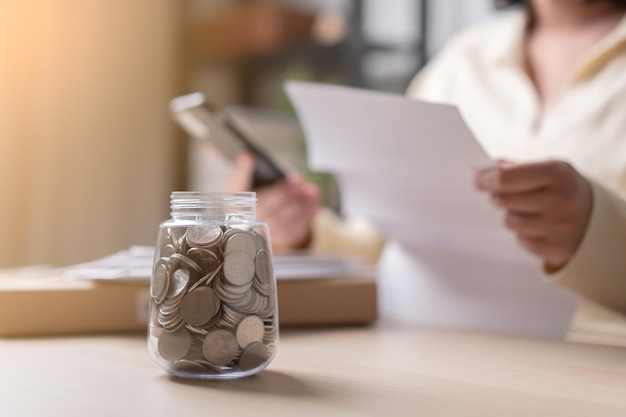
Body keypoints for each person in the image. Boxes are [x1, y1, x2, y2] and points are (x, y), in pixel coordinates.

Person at [225, 0, 626, 334]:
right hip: (432, 355)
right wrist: (303, 233)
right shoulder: (462, 61)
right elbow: (385, 246)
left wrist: (597, 234)